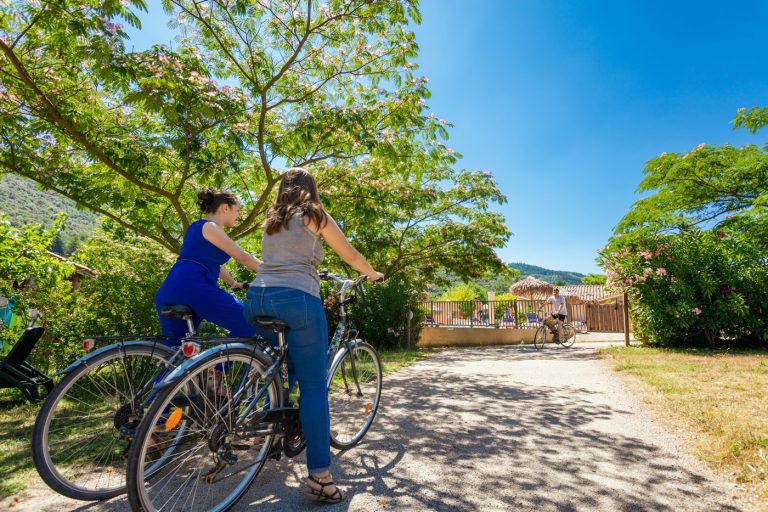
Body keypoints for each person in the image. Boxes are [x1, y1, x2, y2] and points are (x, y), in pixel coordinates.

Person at [244, 168, 383, 504]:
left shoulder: (271, 219)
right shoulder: (313, 213)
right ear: (310, 189)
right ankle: (321, 477)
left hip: (256, 299)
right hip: (297, 300)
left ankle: (269, 432)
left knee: (279, 370)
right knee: (314, 386)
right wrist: (372, 273)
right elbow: (349, 255)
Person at [154, 189, 261, 347]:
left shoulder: (195, 227)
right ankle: (221, 364)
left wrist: (233, 283)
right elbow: (242, 257)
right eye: (238, 210)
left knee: (174, 350)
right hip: (194, 287)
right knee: (248, 320)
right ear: (225, 208)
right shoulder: (210, 227)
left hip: (170, 290)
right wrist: (274, 271)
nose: (239, 215)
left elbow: (210, 263)